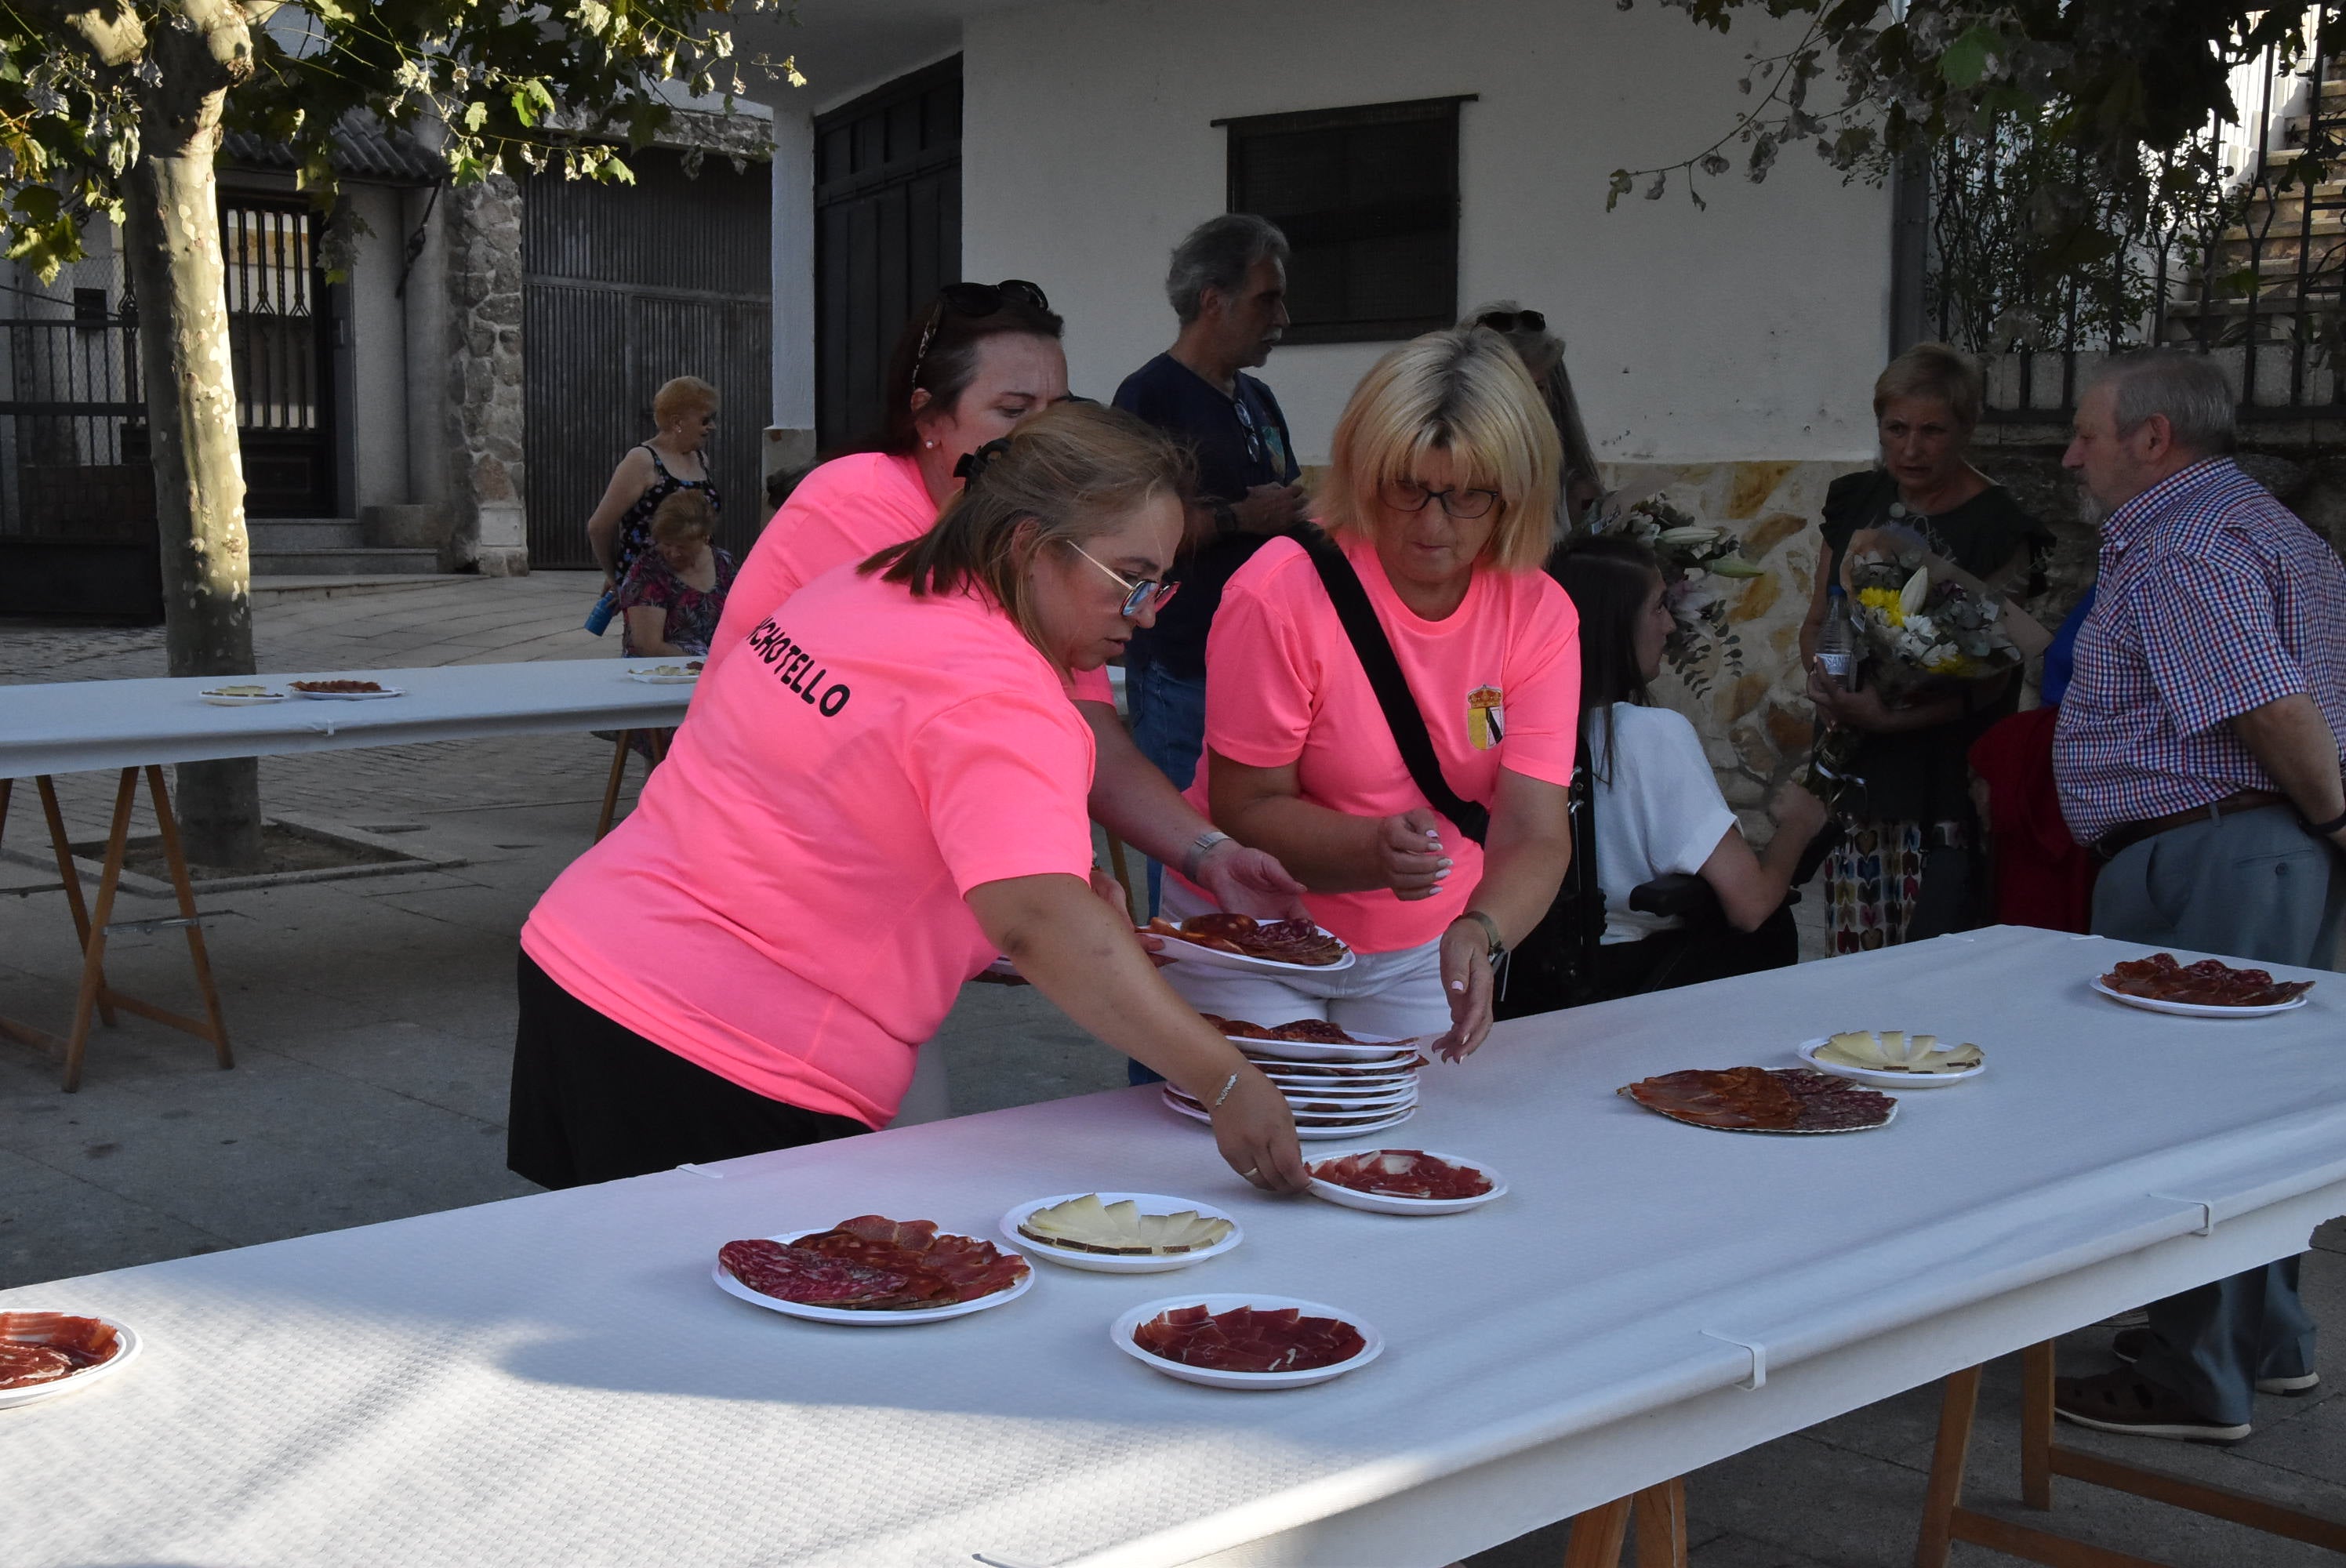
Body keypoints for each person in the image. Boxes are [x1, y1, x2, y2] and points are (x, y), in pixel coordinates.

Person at [510, 403, 1311, 1195]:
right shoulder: (1002, 694)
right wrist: (1225, 1078)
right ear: (1028, 545)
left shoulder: (866, 582)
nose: (1148, 613)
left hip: (582, 962)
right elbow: (1038, 921)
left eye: (1160, 584)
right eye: (1130, 580)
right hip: (727, 1050)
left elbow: (841, 806)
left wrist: (1003, 910)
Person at [701, 279, 1304, 926]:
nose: (1045, 436)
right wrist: (1062, 877)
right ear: (930, 420)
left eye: (1060, 410)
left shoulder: (1030, 538)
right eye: (1014, 410)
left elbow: (1090, 731)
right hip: (758, 879)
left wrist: (1210, 854)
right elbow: (979, 745)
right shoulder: (860, 502)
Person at [2048, 350, 2345, 1444]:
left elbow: (2267, 707)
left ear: (2153, 437)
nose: (2069, 456)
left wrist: (2335, 821)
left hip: (2217, 848)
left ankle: (2197, 1371)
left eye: (2086, 433)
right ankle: (2264, 1337)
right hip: (2259, 847)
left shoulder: (2181, 544)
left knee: (2196, 1116)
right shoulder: (2268, 527)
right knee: (2259, 1111)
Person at [1164, 327, 1580, 1058]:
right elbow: (1245, 806)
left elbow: (1534, 829)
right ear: (1365, 471)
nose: (1432, 524)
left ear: (1515, 495)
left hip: (1426, 938)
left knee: (1413, 1127)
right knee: (1261, 1123)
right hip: (1254, 929)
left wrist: (1482, 930)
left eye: (1468, 496)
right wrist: (1370, 850)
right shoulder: (1281, 592)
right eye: (1407, 487)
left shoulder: (1537, 611)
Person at [1800, 343, 2047, 953]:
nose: (1911, 449)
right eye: (1897, 428)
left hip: (1944, 777)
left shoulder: (2001, 529)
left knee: (1937, 956)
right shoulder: (1854, 500)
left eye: (1932, 431)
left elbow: (1994, 676)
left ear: (1967, 428)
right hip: (1857, 767)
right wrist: (1831, 683)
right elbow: (1822, 616)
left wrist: (1888, 715)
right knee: (1855, 957)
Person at [1114, 216, 1311, 882]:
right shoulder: (1149, 397)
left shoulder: (1258, 397)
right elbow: (1129, 536)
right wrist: (1240, 517)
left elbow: (1283, 498)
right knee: (1186, 850)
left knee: (1254, 846)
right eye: (1266, 299)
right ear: (1212, 300)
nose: (1282, 318)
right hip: (1183, 666)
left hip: (1263, 667)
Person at [1552, 536, 1828, 996]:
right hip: (1648, 981)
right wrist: (1798, 824)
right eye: (1659, 608)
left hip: (1554, 978)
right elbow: (1751, 905)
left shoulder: (1528, 731)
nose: (1670, 627)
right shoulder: (1648, 733)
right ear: (1614, 624)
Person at [1462, 301, 1603, 531]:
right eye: (1510, 389)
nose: (1527, 406)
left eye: (1536, 389)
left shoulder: (1576, 494)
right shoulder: (1441, 478)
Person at [586, 375, 721, 594]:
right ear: (677, 422)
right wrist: (616, 576)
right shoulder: (642, 460)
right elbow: (598, 527)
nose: (712, 427)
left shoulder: (700, 459)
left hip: (698, 582)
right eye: (705, 420)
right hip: (652, 587)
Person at [616, 490, 735, 658]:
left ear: (705, 538)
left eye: (682, 546)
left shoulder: (724, 562)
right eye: (667, 544)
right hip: (664, 668)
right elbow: (648, 647)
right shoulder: (647, 571)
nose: (673, 553)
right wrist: (704, 666)